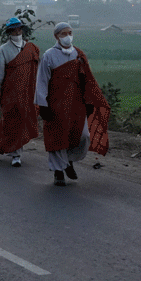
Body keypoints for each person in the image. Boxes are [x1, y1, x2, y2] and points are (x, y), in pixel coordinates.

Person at [35, 22, 111, 186]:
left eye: (70, 32)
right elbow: (41, 81)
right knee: (57, 138)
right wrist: (42, 105)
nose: (68, 36)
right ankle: (58, 172)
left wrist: (91, 100)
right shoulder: (49, 55)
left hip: (76, 105)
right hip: (55, 104)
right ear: (56, 36)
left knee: (82, 136)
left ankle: (68, 161)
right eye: (64, 33)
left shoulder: (79, 55)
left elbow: (88, 80)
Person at [0, 17, 40, 167]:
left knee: (23, 120)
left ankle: (17, 153)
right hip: (10, 93)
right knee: (11, 121)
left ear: (22, 30)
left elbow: (37, 72)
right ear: (9, 32)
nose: (16, 32)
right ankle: (14, 151)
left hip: (28, 93)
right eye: (13, 30)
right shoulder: (3, 49)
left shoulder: (32, 48)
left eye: (18, 29)